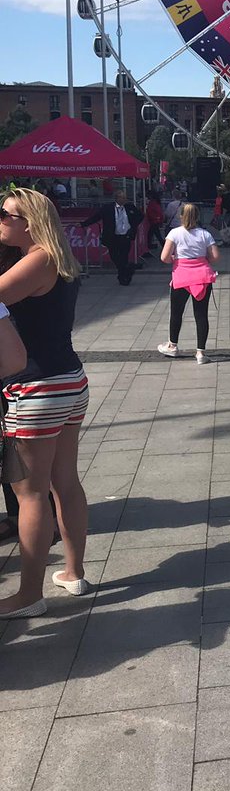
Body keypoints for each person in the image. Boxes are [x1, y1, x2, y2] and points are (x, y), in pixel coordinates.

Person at [0, 189, 90, 618]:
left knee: (30, 492)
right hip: (68, 378)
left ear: (30, 223)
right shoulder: (59, 257)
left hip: (37, 386)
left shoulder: (36, 260)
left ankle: (29, 594)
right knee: (64, 481)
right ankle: (73, 572)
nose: (0, 220)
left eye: (6, 215)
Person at [157, 203, 219, 365]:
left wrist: (174, 259)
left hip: (182, 276)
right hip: (202, 277)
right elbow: (214, 257)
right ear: (198, 216)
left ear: (180, 216)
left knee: (176, 313)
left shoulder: (174, 233)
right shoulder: (205, 234)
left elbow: (164, 257)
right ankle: (200, 352)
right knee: (201, 315)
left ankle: (172, 345)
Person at [81, 188, 143, 285]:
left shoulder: (130, 207)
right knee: (114, 257)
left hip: (125, 236)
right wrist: (83, 224)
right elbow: (96, 217)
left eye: (125, 198)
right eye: (122, 197)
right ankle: (127, 269)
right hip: (112, 236)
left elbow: (140, 216)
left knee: (124, 257)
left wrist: (132, 227)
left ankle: (123, 278)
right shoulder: (108, 208)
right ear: (117, 198)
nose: (124, 200)